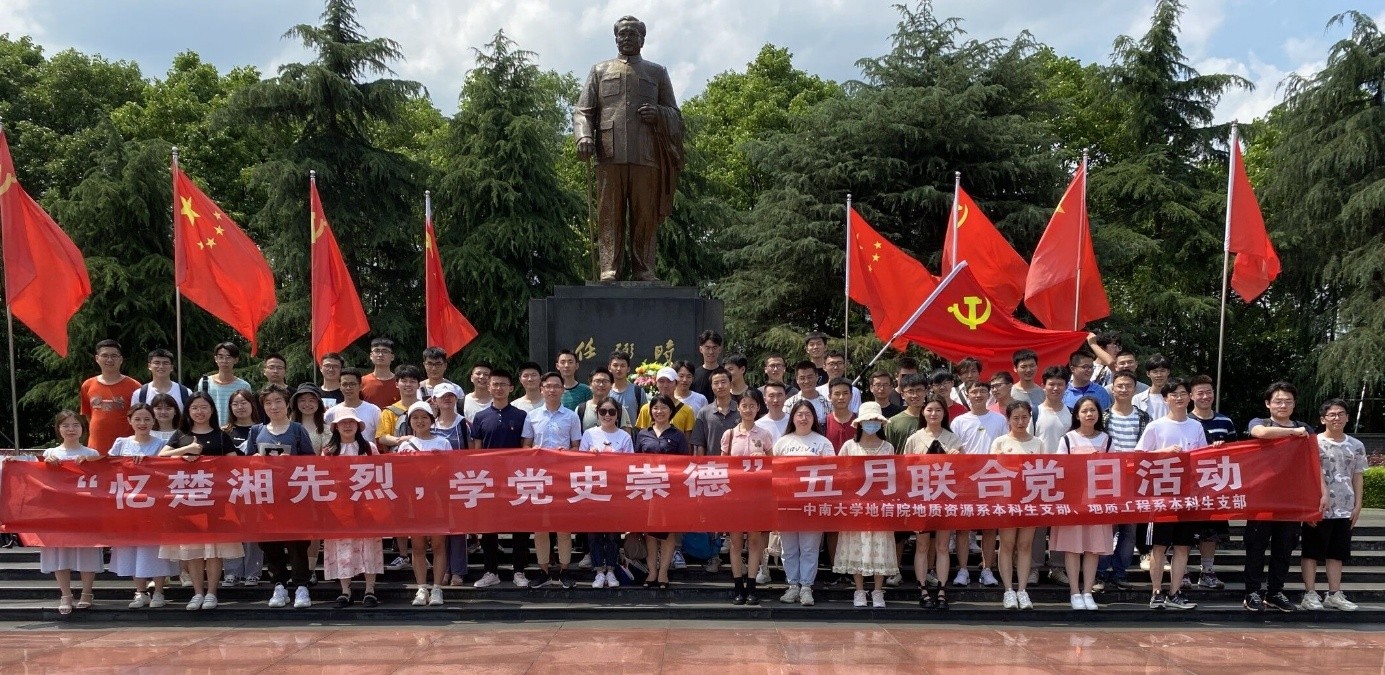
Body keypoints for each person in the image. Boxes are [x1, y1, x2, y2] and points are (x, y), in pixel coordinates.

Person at [574, 14, 683, 282]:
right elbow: (583, 111)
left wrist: (659, 113)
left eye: (632, 34)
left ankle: (643, 269)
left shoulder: (657, 73)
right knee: (609, 215)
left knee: (644, 215)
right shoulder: (600, 71)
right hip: (609, 154)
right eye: (622, 34)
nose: (626, 38)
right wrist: (583, 136)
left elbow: (675, 115)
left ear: (642, 39)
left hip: (646, 155)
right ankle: (609, 269)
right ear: (615, 39)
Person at [157, 393, 242, 610]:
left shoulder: (221, 436)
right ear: (188, 411)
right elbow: (161, 457)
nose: (199, 412)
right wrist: (185, 451)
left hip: (215, 501)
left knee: (214, 550)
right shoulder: (181, 435)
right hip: (187, 502)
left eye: (204, 407)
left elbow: (234, 464)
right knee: (192, 549)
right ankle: (197, 593)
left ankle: (212, 592)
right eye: (194, 407)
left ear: (212, 410)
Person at [1243, 381, 1322, 613]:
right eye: (1278, 401)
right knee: (1256, 547)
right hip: (1262, 498)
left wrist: (1319, 496)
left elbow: (1313, 465)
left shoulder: (1305, 428)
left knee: (1284, 548)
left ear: (1294, 404)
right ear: (1268, 404)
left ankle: (1275, 592)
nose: (1283, 405)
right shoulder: (1260, 423)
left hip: (1291, 500)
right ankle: (1252, 592)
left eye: (1288, 401)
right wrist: (1292, 433)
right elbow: (1260, 434)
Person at [1135, 378, 1205, 611]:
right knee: (1159, 546)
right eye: (1174, 394)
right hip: (1161, 495)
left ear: (1189, 397)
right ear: (1165, 399)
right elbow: (1139, 456)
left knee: (1183, 546)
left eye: (1183, 393)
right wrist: (1163, 452)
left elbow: (1202, 458)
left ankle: (1175, 593)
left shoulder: (1196, 426)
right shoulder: (1156, 426)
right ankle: (1156, 592)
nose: (1179, 398)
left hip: (1187, 495)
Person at [245, 383, 316, 609]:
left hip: (294, 496)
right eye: (268, 403)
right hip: (266, 496)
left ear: (287, 404)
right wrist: (256, 460)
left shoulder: (297, 430)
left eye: (278, 401)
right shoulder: (256, 431)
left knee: (298, 543)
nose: (273, 407)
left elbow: (311, 461)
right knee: (270, 543)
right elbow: (246, 463)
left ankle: (301, 585)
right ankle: (279, 584)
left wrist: (291, 462)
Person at [109, 404, 182, 609]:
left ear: (153, 421)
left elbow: (170, 469)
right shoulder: (121, 443)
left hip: (154, 506)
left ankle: (159, 591)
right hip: (127, 506)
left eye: (147, 419)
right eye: (138, 419)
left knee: (155, 549)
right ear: (129, 421)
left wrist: (150, 462)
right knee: (131, 549)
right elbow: (107, 466)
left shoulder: (162, 444)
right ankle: (140, 592)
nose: (142, 423)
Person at [470, 369, 533, 588]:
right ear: (489, 387)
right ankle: (491, 571)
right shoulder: (480, 417)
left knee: (520, 528)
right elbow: (477, 450)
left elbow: (525, 447)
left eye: (503, 384)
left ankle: (519, 571)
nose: (498, 388)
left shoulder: (521, 415)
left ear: (511, 388)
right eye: (495, 384)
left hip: (515, 479)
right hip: (489, 480)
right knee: (489, 527)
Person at [1300, 398, 1364, 611]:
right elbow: (1305, 476)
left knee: (1337, 553)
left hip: (1345, 507)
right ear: (1323, 419)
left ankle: (1334, 594)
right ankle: (1310, 594)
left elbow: (1358, 476)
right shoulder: (1313, 443)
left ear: (1347, 417)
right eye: (1332, 415)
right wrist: (1307, 507)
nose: (1337, 418)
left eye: (1341, 414)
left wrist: (1358, 505)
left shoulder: (1356, 445)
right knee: (1311, 552)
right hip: (1318, 508)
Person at [833, 402, 898, 609]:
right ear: (860, 423)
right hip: (856, 506)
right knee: (857, 546)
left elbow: (893, 477)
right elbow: (839, 474)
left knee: (880, 546)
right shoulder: (849, 447)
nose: (871, 424)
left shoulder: (888, 447)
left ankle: (878, 591)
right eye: (868, 420)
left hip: (880, 505)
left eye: (875, 420)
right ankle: (859, 590)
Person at [1051, 396, 1113, 611]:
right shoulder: (1068, 439)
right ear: (1077, 415)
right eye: (1085, 411)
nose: (1089, 414)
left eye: (1093, 410)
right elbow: (1060, 468)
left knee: (1093, 548)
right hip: (1074, 499)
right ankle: (1074, 592)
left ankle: (1088, 591)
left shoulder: (1106, 439)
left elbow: (1113, 468)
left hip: (1098, 500)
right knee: (1073, 547)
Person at [38, 411, 104, 614]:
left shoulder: (91, 453)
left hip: (85, 512)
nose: (71, 429)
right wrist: (46, 465)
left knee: (87, 551)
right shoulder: (51, 453)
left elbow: (103, 480)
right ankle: (65, 594)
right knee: (59, 553)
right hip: (58, 513)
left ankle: (87, 592)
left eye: (76, 425)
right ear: (58, 429)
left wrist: (92, 463)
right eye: (65, 425)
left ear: (83, 429)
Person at [523, 372, 583, 588]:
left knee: (563, 527)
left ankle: (564, 570)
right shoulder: (532, 416)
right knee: (540, 528)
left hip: (562, 477)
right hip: (538, 478)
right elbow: (525, 446)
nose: (552, 390)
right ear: (541, 389)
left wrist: (566, 453)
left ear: (562, 390)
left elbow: (577, 447)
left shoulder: (571, 416)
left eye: (556, 386)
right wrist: (534, 451)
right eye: (548, 386)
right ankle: (543, 570)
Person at [902, 393, 962, 609]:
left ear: (945, 413)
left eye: (938, 410)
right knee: (922, 545)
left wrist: (957, 458)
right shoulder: (914, 439)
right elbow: (904, 471)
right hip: (921, 499)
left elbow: (964, 472)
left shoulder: (953, 439)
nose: (933, 414)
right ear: (923, 412)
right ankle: (923, 589)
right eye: (929, 410)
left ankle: (943, 590)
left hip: (945, 498)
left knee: (943, 546)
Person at [773, 401, 835, 607]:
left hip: (813, 504)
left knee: (809, 547)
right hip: (787, 504)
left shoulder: (823, 443)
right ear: (792, 417)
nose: (803, 418)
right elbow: (774, 473)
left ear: (814, 418)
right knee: (789, 548)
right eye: (799, 414)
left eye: (808, 414)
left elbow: (832, 473)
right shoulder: (782, 443)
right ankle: (793, 585)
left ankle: (807, 587)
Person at [320, 407, 383, 608]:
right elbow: (324, 478)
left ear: (358, 425)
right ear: (336, 427)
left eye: (351, 422)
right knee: (341, 546)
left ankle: (370, 589)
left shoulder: (369, 448)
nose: (347, 426)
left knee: (369, 545)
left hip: (366, 505)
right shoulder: (328, 451)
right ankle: (345, 590)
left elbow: (379, 474)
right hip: (339, 506)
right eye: (343, 422)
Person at [1096, 370, 1150, 591]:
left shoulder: (1144, 418)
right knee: (1106, 529)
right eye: (1119, 385)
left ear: (1135, 389)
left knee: (1129, 530)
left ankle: (1120, 572)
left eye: (1128, 385)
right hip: (1108, 480)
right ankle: (1100, 572)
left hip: (1135, 480)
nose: (1124, 389)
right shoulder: (1103, 416)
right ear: (1113, 388)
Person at [395, 401, 454, 605]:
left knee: (438, 545)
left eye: (424, 417)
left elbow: (451, 471)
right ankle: (421, 588)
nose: (420, 421)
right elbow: (399, 475)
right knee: (418, 546)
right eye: (415, 417)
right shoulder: (404, 446)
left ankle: (437, 588)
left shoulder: (443, 443)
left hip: (437, 499)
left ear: (431, 420)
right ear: (410, 421)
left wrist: (439, 462)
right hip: (413, 501)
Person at [950, 380, 1007, 588]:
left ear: (989, 394)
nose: (978, 395)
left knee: (989, 528)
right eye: (974, 391)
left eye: (983, 391)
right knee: (963, 528)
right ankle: (963, 569)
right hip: (966, 480)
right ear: (967, 394)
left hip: (992, 479)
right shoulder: (959, 421)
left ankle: (987, 569)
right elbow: (954, 451)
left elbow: (1004, 447)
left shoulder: (1000, 419)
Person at [634, 395, 691, 589]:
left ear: (671, 411)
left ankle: (664, 572)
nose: (659, 411)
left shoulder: (678, 435)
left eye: (664, 407)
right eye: (656, 408)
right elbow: (634, 462)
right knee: (650, 533)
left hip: (670, 491)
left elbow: (684, 464)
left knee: (668, 532)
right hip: (647, 489)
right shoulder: (643, 434)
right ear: (650, 411)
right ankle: (652, 571)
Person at [721, 394, 773, 604]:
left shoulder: (765, 434)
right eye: (745, 405)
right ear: (738, 408)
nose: (749, 409)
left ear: (758, 408)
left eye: (752, 406)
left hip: (756, 496)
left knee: (754, 541)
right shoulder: (730, 434)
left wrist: (765, 459)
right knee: (735, 543)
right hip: (735, 496)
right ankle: (738, 587)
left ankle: (751, 587)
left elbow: (774, 465)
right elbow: (722, 466)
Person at [992, 400, 1042, 610]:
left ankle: (1022, 589)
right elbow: (991, 472)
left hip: (1030, 500)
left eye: (1024, 417)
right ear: (1008, 420)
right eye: (1016, 418)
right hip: (1007, 501)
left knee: (1025, 545)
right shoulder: (1000, 442)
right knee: (1007, 544)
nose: (1020, 422)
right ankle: (1008, 590)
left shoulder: (1038, 443)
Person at [1187, 374, 1236, 590]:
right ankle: (1183, 572)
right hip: (1188, 487)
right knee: (1185, 532)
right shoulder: (1184, 421)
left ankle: (1207, 571)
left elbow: (1236, 453)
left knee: (1211, 533)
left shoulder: (1225, 422)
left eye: (1209, 392)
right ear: (1191, 396)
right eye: (1200, 393)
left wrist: (1222, 449)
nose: (1205, 396)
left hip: (1215, 486)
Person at [580, 399, 635, 589]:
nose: (607, 415)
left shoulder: (624, 437)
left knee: (613, 534)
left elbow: (630, 465)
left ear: (618, 414)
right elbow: (579, 462)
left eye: (612, 411)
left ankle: (611, 569)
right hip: (593, 491)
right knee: (594, 533)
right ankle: (598, 571)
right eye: (603, 411)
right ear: (597, 413)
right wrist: (590, 454)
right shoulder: (589, 434)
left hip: (614, 492)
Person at [222, 388, 265, 588]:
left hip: (256, 487)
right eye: (235, 404)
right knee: (231, 530)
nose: (240, 407)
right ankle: (232, 571)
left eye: (244, 403)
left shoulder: (262, 429)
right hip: (229, 487)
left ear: (252, 405)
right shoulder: (224, 431)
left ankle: (253, 572)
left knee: (253, 530)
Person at [80, 339, 142, 454]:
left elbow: (141, 417)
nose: (109, 360)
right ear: (97, 358)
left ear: (121, 359)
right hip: (96, 449)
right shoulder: (87, 385)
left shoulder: (135, 386)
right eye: (105, 356)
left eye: (114, 356)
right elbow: (89, 415)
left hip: (126, 450)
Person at [197, 341, 252, 424]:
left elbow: (248, 412)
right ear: (216, 359)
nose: (224, 361)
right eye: (221, 357)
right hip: (211, 428)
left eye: (228, 357)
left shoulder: (244, 386)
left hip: (234, 429)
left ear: (236, 360)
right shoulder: (205, 382)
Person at [691, 367, 739, 456]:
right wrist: (701, 462)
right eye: (716, 383)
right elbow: (699, 444)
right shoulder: (704, 412)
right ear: (711, 386)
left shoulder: (741, 410)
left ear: (731, 384)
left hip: (736, 462)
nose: (720, 386)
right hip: (712, 463)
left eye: (723, 382)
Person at [377, 365, 423, 453]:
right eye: (404, 381)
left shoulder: (426, 408)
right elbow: (382, 437)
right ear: (396, 384)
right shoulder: (388, 411)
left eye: (412, 381)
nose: (408, 384)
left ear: (418, 385)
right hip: (398, 456)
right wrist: (402, 440)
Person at [327, 368, 382, 441]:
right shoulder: (331, 413)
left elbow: (381, 438)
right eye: (344, 384)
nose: (348, 388)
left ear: (360, 386)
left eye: (352, 384)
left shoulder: (374, 410)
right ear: (340, 387)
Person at [131, 347, 192, 412]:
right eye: (157, 363)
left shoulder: (185, 393)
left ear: (172, 367)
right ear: (149, 366)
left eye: (165, 363)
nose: (161, 366)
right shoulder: (139, 394)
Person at [634, 367, 695, 432]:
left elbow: (688, 437)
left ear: (676, 383)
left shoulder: (687, 410)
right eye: (661, 381)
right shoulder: (646, 409)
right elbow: (642, 435)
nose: (665, 385)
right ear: (656, 383)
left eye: (669, 381)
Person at [578, 367, 634, 433]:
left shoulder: (619, 409)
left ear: (611, 385)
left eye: (605, 381)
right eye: (597, 381)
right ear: (590, 385)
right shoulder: (581, 409)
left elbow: (627, 435)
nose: (601, 385)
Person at [784, 360, 829, 425]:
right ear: (797, 380)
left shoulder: (827, 404)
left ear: (816, 377)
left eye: (809, 377)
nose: (806, 381)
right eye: (802, 378)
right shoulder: (789, 404)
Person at [360, 338, 400, 409]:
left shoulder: (400, 382)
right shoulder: (362, 382)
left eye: (385, 351)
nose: (380, 354)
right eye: (377, 351)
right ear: (371, 356)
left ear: (392, 357)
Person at [291, 383, 330, 453]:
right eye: (302, 400)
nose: (307, 404)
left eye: (311, 400)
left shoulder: (325, 430)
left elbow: (327, 456)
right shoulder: (288, 427)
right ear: (296, 403)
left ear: (318, 403)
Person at [1132, 354, 1171, 420]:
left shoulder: (1175, 398)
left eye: (1162, 371)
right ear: (1148, 374)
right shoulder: (1138, 399)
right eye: (1155, 372)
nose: (1159, 375)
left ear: (1168, 372)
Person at [607, 352, 646, 419]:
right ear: (609, 368)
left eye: (622, 366)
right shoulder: (605, 391)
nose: (619, 369)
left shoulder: (638, 391)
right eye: (615, 365)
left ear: (628, 369)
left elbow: (645, 416)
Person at [823, 377, 856, 451]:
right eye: (837, 394)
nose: (841, 397)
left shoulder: (859, 421)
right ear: (829, 396)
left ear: (851, 396)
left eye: (845, 393)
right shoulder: (824, 423)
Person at [691, 330, 723, 399]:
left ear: (719, 349)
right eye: (707, 348)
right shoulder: (694, 375)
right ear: (701, 349)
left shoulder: (725, 374)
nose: (711, 352)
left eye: (714, 348)